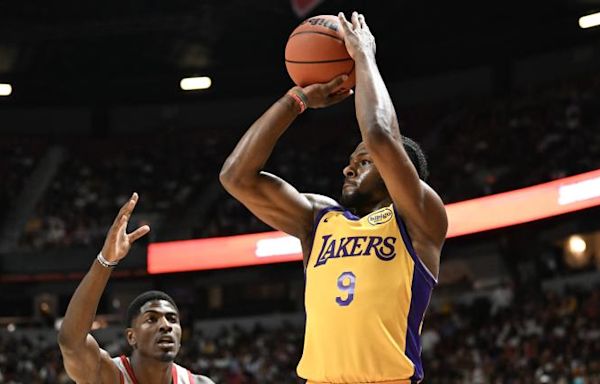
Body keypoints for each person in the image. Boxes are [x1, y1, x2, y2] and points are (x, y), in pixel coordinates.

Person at [220, 11, 448, 384]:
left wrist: (364, 58)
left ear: (398, 171)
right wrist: (295, 100)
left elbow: (379, 135)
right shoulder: (319, 219)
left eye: (363, 162)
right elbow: (235, 176)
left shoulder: (420, 219)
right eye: (350, 162)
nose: (348, 169)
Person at [58, 193, 214, 384]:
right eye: (151, 319)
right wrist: (106, 260)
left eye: (172, 319)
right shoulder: (109, 376)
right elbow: (71, 343)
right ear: (132, 337)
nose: (166, 325)